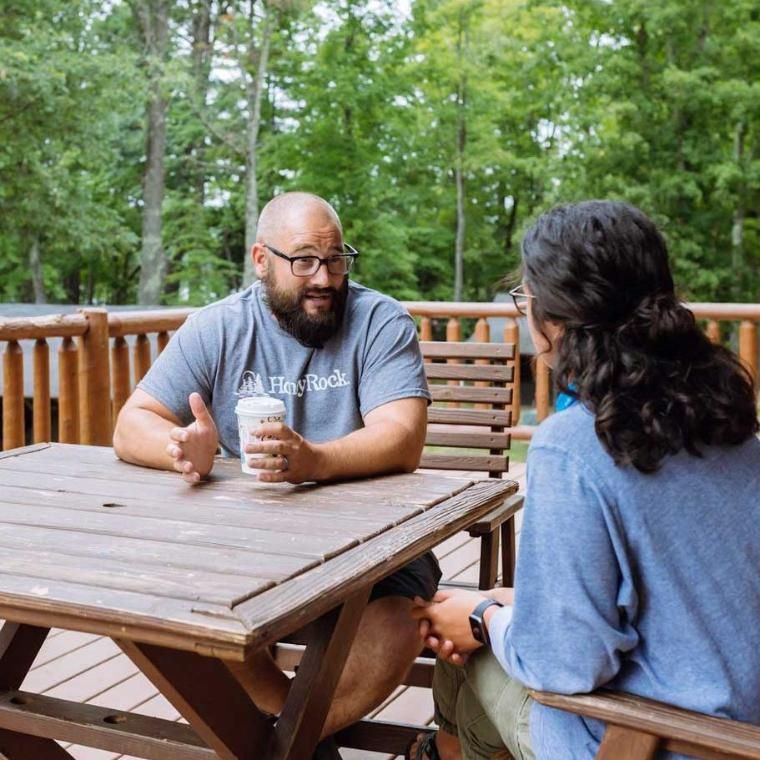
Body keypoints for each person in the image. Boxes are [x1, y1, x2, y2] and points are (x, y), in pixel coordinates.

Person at [409, 200, 760, 760]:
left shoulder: (573, 445)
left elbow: (565, 665)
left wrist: (482, 619)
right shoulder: (732, 427)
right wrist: (506, 605)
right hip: (742, 730)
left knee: (466, 660)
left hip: (649, 741)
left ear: (554, 320)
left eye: (525, 298)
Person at [113, 191, 439, 738]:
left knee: (401, 620)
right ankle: (283, 732)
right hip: (244, 548)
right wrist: (180, 449)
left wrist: (314, 459)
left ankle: (272, 740)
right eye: (305, 260)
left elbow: (402, 437)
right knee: (164, 597)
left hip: (372, 544)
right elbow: (132, 423)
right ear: (261, 260)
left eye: (336, 259)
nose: (325, 278)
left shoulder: (380, 321)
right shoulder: (217, 327)